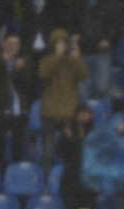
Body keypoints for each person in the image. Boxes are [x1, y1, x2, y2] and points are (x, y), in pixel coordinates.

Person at [38, 28, 88, 175]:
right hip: (50, 112)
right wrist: (57, 56)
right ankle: (45, 181)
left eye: (64, 42)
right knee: (47, 151)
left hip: (69, 111)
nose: (62, 45)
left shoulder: (71, 60)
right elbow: (43, 74)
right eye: (59, 42)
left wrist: (77, 57)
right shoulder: (46, 60)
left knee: (70, 151)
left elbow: (84, 76)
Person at [0, 32, 34, 168]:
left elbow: (29, 84)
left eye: (16, 44)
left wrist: (19, 70)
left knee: (18, 150)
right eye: (10, 43)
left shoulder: (25, 61)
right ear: (4, 44)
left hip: (18, 112)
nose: (13, 47)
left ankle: (15, 178)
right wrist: (2, 62)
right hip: (1, 111)